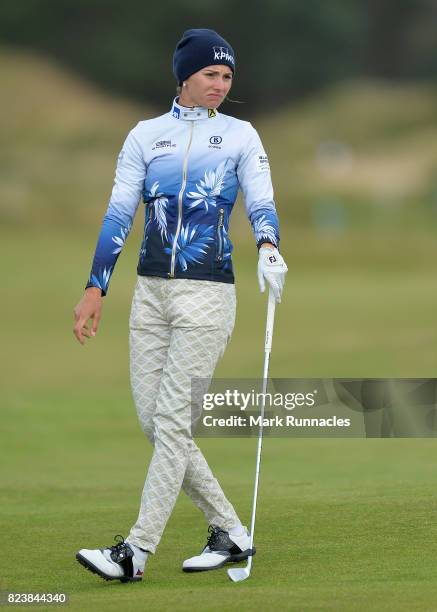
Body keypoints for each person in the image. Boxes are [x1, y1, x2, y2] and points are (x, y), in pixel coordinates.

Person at [73, 28, 288, 583]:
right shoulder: (146, 136)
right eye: (210, 74)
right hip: (150, 293)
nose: (219, 84)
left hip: (207, 293)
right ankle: (231, 533)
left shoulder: (241, 136)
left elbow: (262, 199)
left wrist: (269, 246)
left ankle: (134, 553)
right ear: (185, 76)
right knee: (157, 424)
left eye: (227, 77)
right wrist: (97, 286)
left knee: (171, 421)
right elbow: (119, 214)